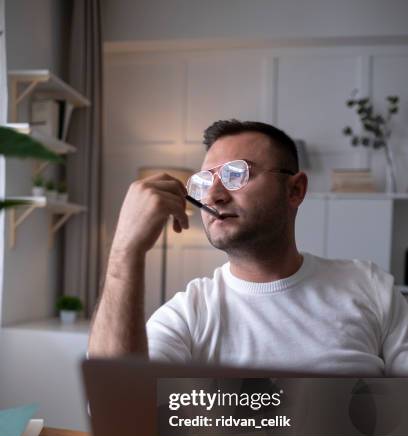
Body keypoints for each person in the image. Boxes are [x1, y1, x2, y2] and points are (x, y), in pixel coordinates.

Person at [88, 120, 408, 375]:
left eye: (237, 174)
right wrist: (125, 252)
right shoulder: (188, 313)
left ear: (295, 190)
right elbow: (114, 411)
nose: (213, 195)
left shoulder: (370, 287)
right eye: (203, 182)